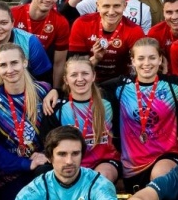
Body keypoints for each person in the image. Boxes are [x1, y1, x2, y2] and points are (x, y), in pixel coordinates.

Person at [0, 43, 52, 200]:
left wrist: (45, 155)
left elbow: (55, 133)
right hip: (9, 171)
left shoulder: (44, 91)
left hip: (41, 167)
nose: (10, 70)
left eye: (14, 63)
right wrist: (25, 164)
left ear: (24, 62)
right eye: (3, 65)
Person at [105, 38, 178, 186]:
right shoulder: (120, 86)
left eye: (152, 58)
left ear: (160, 59)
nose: (146, 63)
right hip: (132, 165)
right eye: (141, 58)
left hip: (166, 156)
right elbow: (89, 87)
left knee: (160, 176)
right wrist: (58, 92)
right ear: (133, 61)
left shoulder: (174, 85)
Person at [42, 56, 122, 185]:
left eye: (85, 73)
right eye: (74, 75)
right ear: (66, 80)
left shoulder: (109, 99)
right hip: (70, 161)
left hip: (105, 160)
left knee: (101, 179)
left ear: (93, 76)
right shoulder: (56, 108)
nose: (80, 79)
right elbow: (48, 142)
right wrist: (55, 90)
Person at [66, 0, 146, 85]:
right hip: (86, 82)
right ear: (98, 6)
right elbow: (75, 69)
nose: (111, 12)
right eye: (106, 6)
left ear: (125, 6)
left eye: (116, 6)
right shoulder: (82, 23)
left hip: (120, 84)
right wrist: (96, 58)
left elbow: (140, 67)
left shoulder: (134, 31)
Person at [11, 0, 71, 85]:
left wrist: (56, 90)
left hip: (40, 75)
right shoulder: (13, 14)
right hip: (11, 71)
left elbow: (59, 63)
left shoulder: (61, 22)